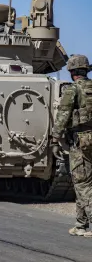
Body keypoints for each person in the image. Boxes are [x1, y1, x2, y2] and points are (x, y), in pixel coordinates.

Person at [51, 54, 92, 237]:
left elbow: (63, 115)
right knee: (83, 181)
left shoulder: (73, 90)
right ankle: (81, 224)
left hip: (81, 140)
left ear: (72, 72)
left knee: (82, 181)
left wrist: (55, 138)